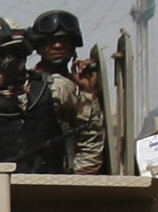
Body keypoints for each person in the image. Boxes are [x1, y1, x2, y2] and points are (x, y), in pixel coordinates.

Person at [0, 17, 104, 174]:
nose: (10, 61)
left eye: (15, 52)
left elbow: (90, 126)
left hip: (52, 187)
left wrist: (80, 178)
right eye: (1, 55)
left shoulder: (56, 88)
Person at [25, 10, 110, 173]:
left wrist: (88, 91)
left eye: (64, 41)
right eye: (51, 41)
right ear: (40, 47)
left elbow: (91, 136)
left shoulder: (78, 87)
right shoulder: (26, 86)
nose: (58, 46)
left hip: (64, 177)